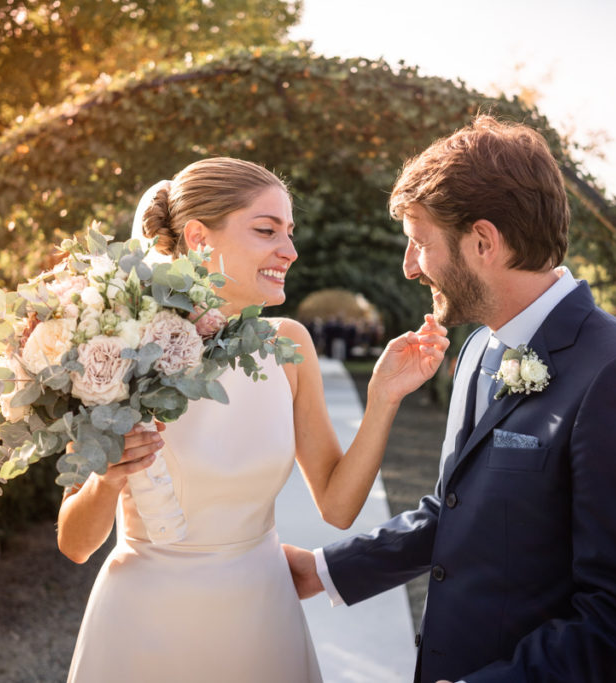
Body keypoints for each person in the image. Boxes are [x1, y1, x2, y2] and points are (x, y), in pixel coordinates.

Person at [283, 116, 616, 682]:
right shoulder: (478, 350)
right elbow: (456, 514)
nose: (408, 266)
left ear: (483, 241)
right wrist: (322, 572)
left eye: (420, 243)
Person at [58, 157, 449, 682]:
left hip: (262, 615)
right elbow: (76, 543)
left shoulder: (289, 345)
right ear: (199, 237)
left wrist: (384, 395)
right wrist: (108, 479)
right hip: (144, 624)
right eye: (267, 230)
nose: (289, 250)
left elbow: (338, 506)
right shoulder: (117, 348)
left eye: (289, 232)